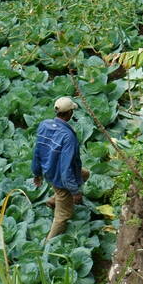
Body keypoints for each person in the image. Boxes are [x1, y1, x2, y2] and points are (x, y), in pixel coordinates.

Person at [32, 96, 89, 242]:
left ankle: (53, 201)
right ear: (70, 113)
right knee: (63, 216)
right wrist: (75, 191)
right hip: (60, 179)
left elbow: (37, 151)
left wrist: (37, 173)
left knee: (85, 174)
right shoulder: (68, 137)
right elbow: (66, 168)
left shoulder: (45, 125)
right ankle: (48, 243)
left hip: (49, 171)